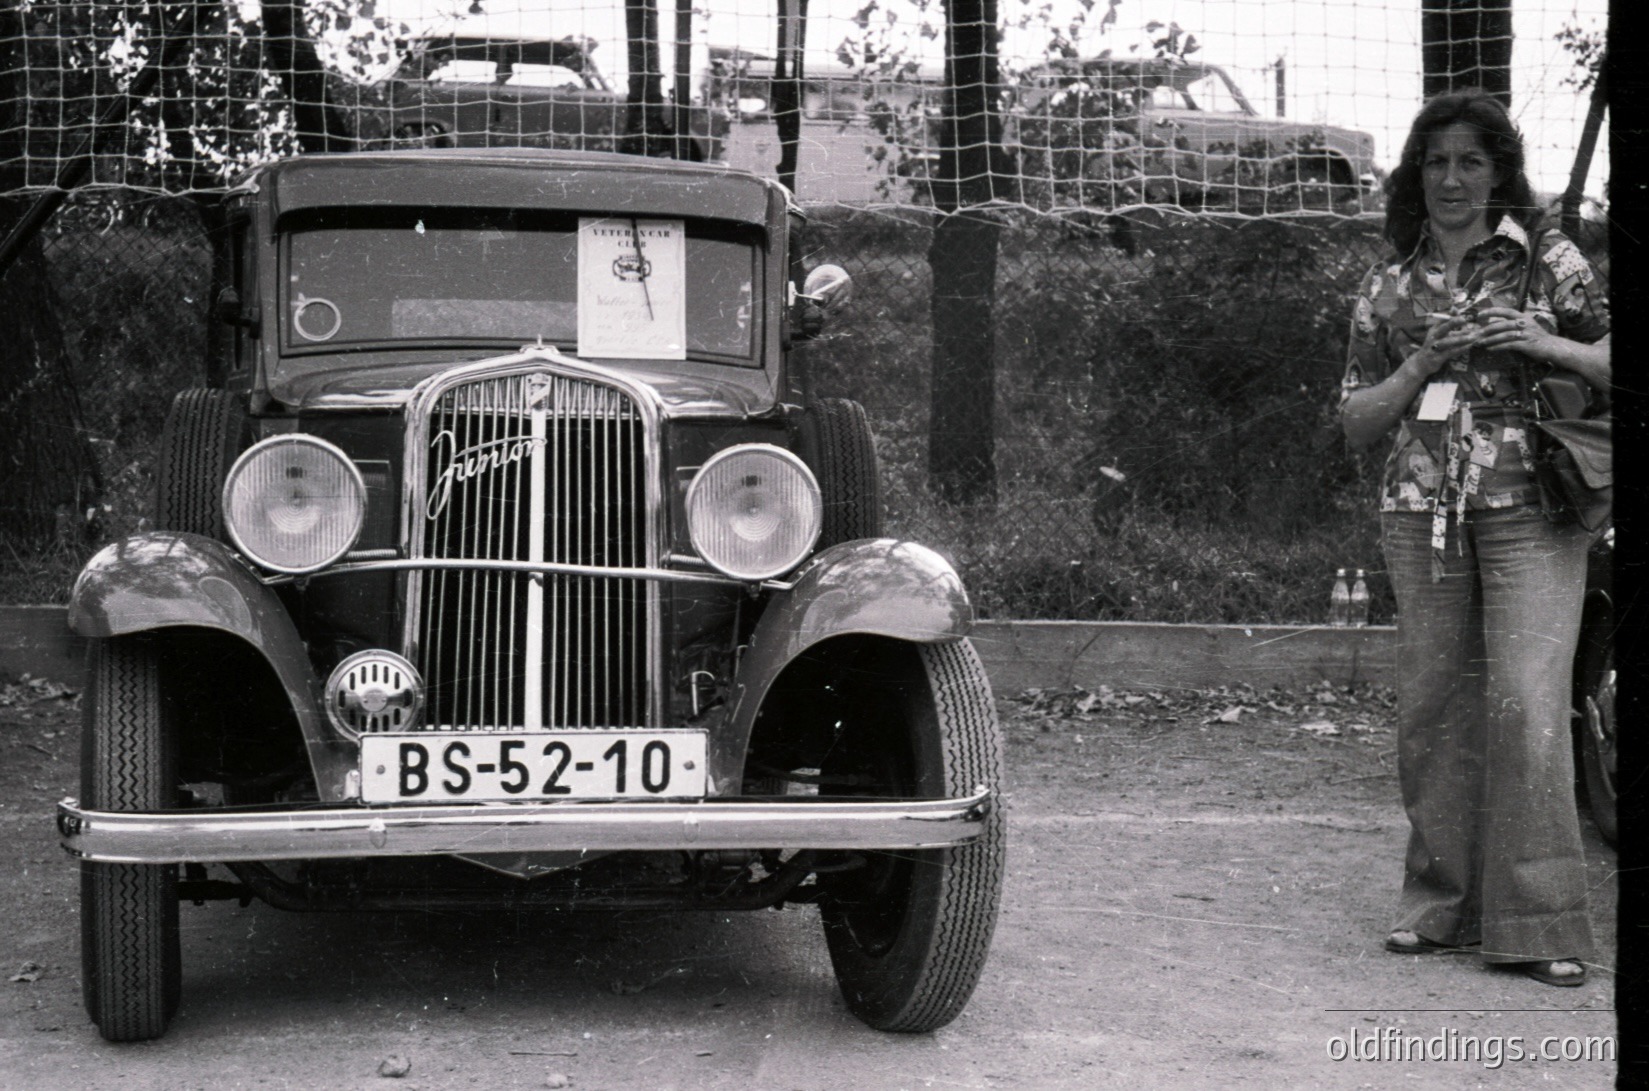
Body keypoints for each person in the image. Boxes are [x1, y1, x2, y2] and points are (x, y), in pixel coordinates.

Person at [1338, 88, 1610, 988]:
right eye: (1435, 162)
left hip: (1534, 506)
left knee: (1527, 706)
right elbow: (1352, 421)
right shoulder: (1388, 283)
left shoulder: (1548, 263)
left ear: (1499, 172)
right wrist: (1422, 360)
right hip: (1418, 516)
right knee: (1433, 706)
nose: (1450, 179)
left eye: (1469, 162)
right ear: (1416, 176)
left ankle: (1541, 922)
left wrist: (1543, 342)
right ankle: (1438, 905)